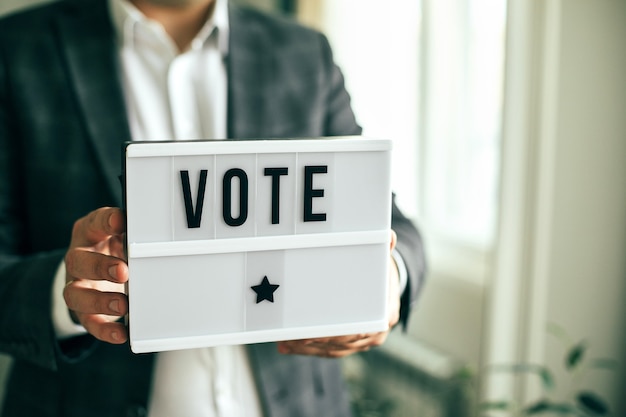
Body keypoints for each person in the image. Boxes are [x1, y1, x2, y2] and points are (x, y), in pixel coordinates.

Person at [0, 0, 426, 415]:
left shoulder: (303, 52)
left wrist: (389, 276)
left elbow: (390, 224)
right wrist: (68, 290)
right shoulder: (17, 49)